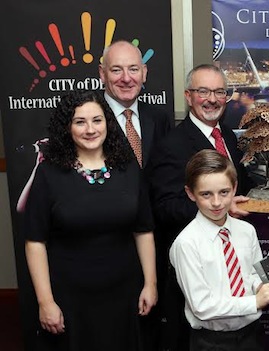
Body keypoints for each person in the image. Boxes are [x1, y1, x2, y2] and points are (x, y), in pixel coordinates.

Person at [24, 90, 157, 350]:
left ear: (107, 122)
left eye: (97, 120)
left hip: (124, 293)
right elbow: (35, 242)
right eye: (79, 122)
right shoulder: (49, 172)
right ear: (67, 127)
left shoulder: (128, 167)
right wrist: (45, 302)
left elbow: (144, 231)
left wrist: (150, 284)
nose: (90, 129)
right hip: (70, 297)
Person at [146, 64, 253, 350]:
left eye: (220, 91)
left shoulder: (229, 137)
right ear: (188, 96)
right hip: (197, 269)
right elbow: (164, 208)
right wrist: (219, 208)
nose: (212, 99)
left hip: (231, 265)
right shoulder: (171, 145)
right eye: (203, 91)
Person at [169, 149, 269, 351]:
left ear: (234, 188)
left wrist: (261, 287)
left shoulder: (246, 231)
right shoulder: (186, 243)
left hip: (251, 335)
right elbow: (202, 307)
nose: (216, 202)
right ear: (190, 194)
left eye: (224, 192)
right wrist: (255, 301)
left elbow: (252, 273)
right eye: (206, 194)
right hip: (211, 341)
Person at [100, 40, 172, 168]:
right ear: (102, 74)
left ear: (144, 73)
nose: (126, 79)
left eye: (133, 69)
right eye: (116, 70)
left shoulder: (159, 118)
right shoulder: (88, 120)